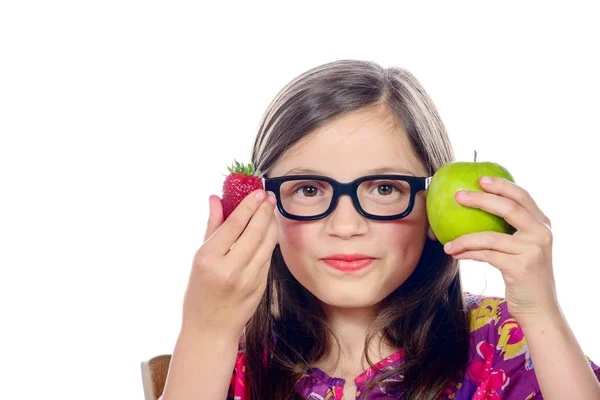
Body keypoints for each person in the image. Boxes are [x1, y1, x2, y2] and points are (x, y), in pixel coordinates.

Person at [159, 60, 600, 399]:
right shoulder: (229, 359)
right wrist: (205, 331)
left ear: (434, 210)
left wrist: (543, 315)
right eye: (309, 189)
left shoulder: (506, 338)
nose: (347, 225)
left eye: (385, 188)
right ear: (262, 206)